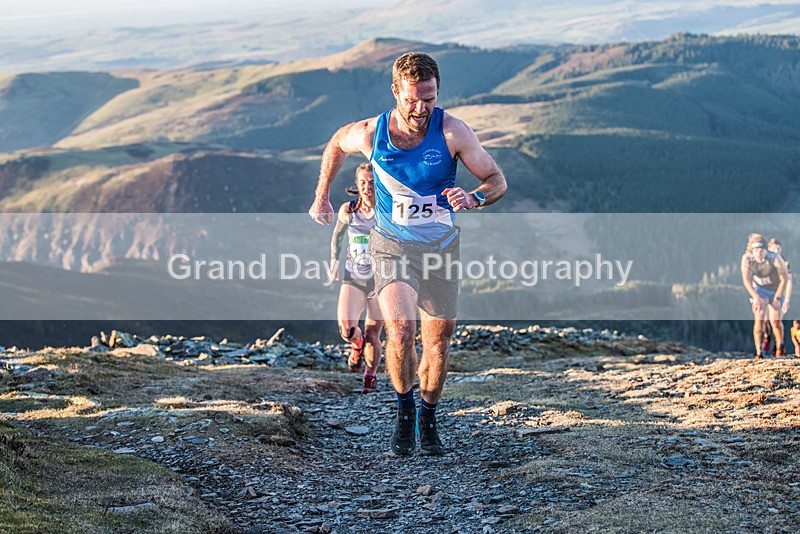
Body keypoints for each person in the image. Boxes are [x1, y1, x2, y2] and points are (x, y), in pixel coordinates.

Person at [309, 52, 507, 455]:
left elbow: (496, 179)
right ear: (395, 92)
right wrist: (322, 196)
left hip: (440, 248)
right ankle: (404, 410)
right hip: (391, 244)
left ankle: (427, 415)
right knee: (400, 331)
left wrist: (474, 197)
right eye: (412, 100)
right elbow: (336, 143)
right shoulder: (372, 134)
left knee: (439, 343)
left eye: (429, 99)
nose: (421, 109)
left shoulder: (453, 132)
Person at [329, 163, 384, 392]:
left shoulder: (388, 210)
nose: (367, 187)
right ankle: (357, 345)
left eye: (371, 182)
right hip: (354, 277)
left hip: (381, 281)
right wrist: (334, 260)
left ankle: (370, 376)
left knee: (373, 332)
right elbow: (337, 236)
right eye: (362, 182)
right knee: (347, 329)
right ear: (357, 184)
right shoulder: (348, 210)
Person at [741, 234, 789, 359]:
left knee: (775, 321)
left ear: (766, 250)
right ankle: (759, 351)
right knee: (759, 320)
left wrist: (778, 298)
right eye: (756, 250)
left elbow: (784, 278)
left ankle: (780, 346)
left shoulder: (775, 258)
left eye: (761, 250)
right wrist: (755, 296)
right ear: (752, 251)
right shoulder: (747, 259)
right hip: (759, 289)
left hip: (775, 289)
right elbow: (746, 279)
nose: (759, 253)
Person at [766, 237, 792, 357]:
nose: (777, 251)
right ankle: (766, 341)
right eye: (774, 249)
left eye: (778, 249)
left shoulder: (785, 263)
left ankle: (779, 346)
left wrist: (787, 299)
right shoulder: (765, 262)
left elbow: (789, 281)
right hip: (766, 293)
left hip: (779, 295)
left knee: (776, 321)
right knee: (765, 321)